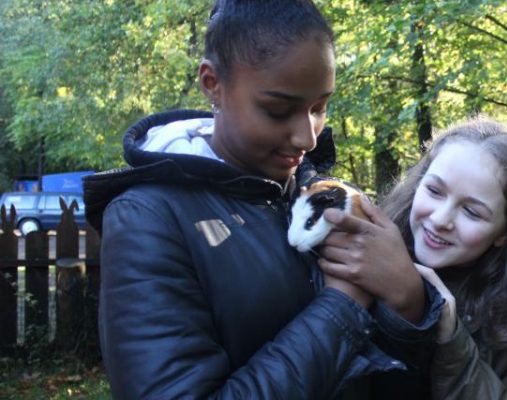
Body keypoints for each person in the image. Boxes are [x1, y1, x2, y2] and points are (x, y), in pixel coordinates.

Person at [83, 1, 442, 398]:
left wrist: (408, 300)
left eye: (320, 107)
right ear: (212, 83)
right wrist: (345, 305)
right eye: (278, 110)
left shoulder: (320, 193)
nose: (308, 137)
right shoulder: (147, 219)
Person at [319, 117, 507, 399]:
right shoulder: (361, 252)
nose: (440, 219)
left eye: (472, 212)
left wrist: (452, 338)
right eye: (434, 191)